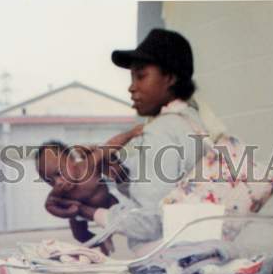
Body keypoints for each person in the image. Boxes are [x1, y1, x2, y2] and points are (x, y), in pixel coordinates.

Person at [41, 29, 218, 250]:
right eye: (132, 77)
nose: (132, 87)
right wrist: (118, 172)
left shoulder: (161, 130)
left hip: (167, 264)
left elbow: (148, 223)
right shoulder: (192, 121)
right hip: (200, 253)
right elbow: (169, 193)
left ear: (170, 78)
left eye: (141, 76)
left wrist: (85, 211)